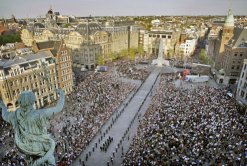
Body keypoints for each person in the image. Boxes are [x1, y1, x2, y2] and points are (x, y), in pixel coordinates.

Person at [0, 89, 64, 166]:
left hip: (26, 148)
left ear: (20, 102)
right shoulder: (39, 114)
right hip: (40, 147)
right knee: (50, 159)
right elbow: (58, 108)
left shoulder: (15, 115)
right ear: (32, 100)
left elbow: (5, 115)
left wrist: (3, 106)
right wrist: (61, 94)